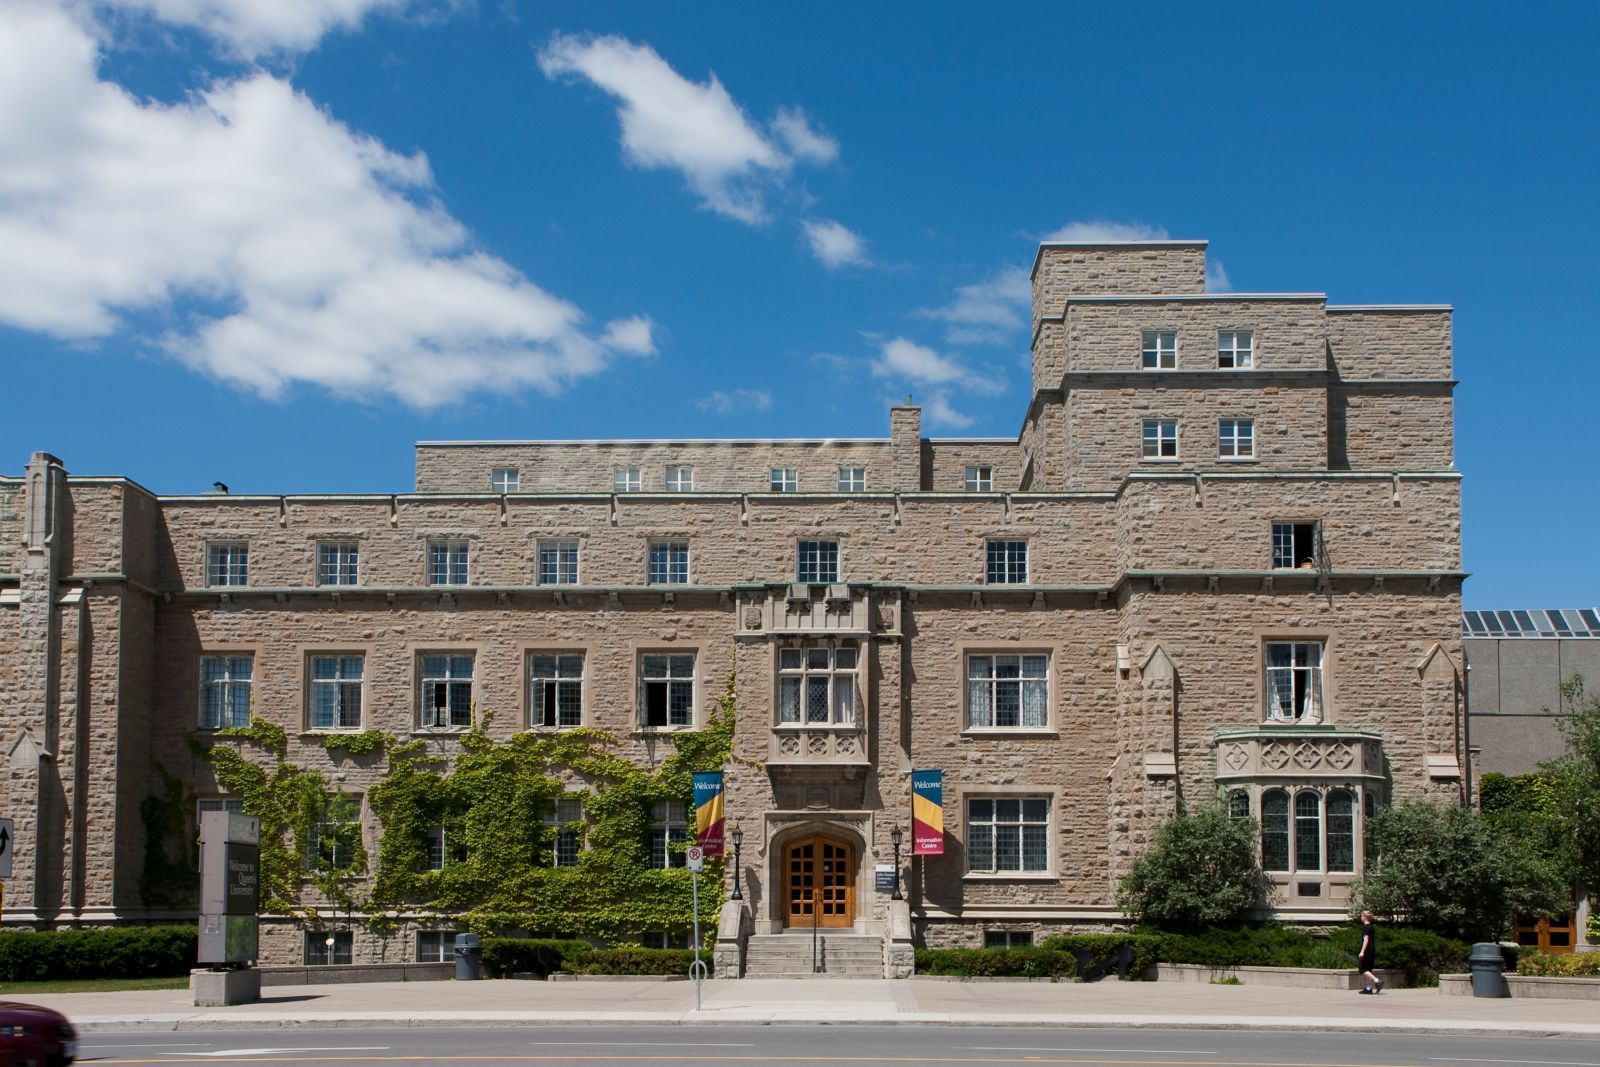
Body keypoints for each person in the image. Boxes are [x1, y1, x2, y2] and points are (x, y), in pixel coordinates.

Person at [1357, 910, 1383, 994]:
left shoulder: (1365, 927)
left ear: (1365, 917)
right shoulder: (1371, 927)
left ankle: (1377, 981)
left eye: (1362, 916)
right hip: (1372, 950)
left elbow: (1366, 940)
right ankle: (1369, 988)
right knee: (1368, 969)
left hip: (1367, 950)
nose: (1361, 917)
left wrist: (1362, 951)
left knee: (1362, 969)